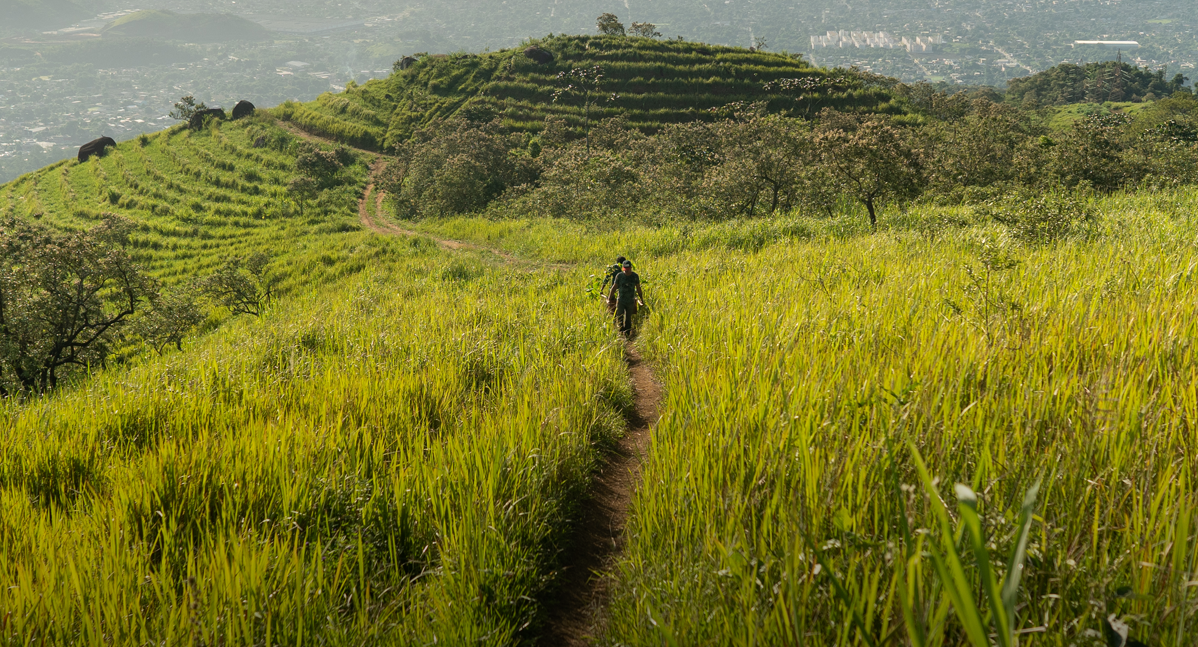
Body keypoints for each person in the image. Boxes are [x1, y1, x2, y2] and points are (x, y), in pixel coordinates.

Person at [607, 259, 644, 337]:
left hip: (630, 301)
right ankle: (621, 332)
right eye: (625, 269)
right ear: (623, 268)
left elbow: (638, 288)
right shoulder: (619, 276)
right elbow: (614, 288)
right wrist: (609, 298)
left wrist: (641, 299)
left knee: (628, 319)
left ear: (630, 268)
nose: (626, 271)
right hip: (621, 300)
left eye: (628, 269)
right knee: (619, 317)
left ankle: (627, 334)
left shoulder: (635, 276)